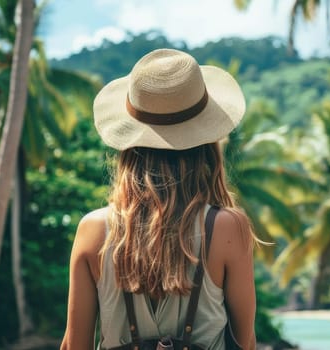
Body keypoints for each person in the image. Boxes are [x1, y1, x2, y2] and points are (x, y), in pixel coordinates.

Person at [60, 48, 258, 350]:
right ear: (206, 143)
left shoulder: (94, 229)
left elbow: (75, 345)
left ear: (129, 143)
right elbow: (245, 344)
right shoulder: (228, 228)